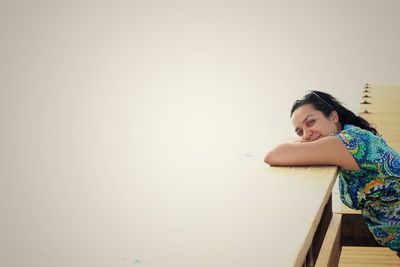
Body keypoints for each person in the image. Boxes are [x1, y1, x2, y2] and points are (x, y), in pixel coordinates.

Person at [264, 90, 400, 255]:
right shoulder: (353, 138)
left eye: (311, 122)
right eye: (299, 132)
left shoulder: (347, 142)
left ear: (333, 117)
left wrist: (298, 142)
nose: (306, 134)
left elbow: (273, 155)